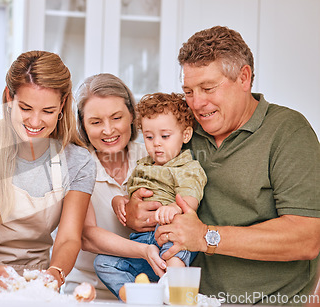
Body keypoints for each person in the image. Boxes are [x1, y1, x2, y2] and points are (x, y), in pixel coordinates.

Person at [124, 25, 320, 304]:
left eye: (207, 88)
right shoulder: (183, 128)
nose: (197, 103)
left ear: (244, 77)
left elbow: (307, 238)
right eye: (188, 90)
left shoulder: (288, 132)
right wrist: (134, 209)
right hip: (190, 299)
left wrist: (206, 237)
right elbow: (149, 176)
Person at [0, 50, 96, 292]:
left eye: (48, 111)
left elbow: (68, 238)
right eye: (25, 108)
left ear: (62, 104)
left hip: (40, 284)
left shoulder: (79, 161)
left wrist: (55, 274)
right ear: (9, 99)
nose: (35, 122)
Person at [63, 73, 166, 300]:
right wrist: (144, 250)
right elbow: (87, 236)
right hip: (87, 293)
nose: (108, 130)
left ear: (132, 114)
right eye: (96, 122)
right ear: (83, 125)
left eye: (116, 117)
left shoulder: (154, 156)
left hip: (148, 291)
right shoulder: (76, 165)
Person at [95, 92, 206, 298]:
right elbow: (131, 197)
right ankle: (138, 296)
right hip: (141, 246)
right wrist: (118, 200)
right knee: (102, 262)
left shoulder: (186, 167)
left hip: (169, 236)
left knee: (177, 248)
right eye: (149, 136)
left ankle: (175, 293)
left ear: (185, 135)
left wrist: (174, 208)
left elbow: (191, 197)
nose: (156, 143)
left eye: (165, 136)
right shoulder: (142, 165)